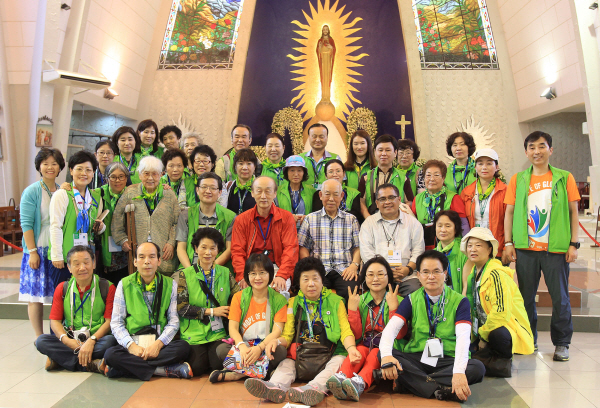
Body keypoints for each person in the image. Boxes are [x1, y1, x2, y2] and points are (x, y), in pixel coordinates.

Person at [503, 131, 580, 361]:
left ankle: (562, 343)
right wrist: (508, 242)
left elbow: (573, 212)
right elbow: (509, 212)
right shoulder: (518, 179)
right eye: (532, 147)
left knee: (561, 299)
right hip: (526, 249)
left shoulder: (564, 177)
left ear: (550, 150)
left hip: (555, 250)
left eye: (541, 146)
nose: (537, 151)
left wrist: (573, 244)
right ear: (526, 152)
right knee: (525, 298)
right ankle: (529, 339)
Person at [244, 257, 362, 407]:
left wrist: (351, 349)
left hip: (329, 355)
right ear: (299, 283)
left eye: (315, 279)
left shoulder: (336, 301)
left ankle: (313, 389)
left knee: (339, 361)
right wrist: (276, 341)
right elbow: (287, 335)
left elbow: (345, 331)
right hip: (302, 357)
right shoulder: (293, 303)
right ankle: (274, 387)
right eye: (305, 279)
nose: (311, 284)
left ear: (322, 281)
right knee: (286, 363)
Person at [378, 250, 485, 403]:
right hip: (418, 357)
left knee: (477, 368)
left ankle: (413, 384)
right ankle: (439, 390)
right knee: (383, 354)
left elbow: (463, 338)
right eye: (426, 272)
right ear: (419, 275)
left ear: (445, 273)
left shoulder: (460, 301)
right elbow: (391, 328)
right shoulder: (411, 299)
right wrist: (387, 356)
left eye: (436, 271)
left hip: (447, 358)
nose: (431, 276)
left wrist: (459, 372)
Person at [103, 242, 192, 380]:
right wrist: (131, 346)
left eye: (151, 257)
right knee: (110, 354)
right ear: (135, 261)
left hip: (159, 342)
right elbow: (116, 323)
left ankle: (126, 369)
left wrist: (158, 344)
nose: (147, 262)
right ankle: (162, 370)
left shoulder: (170, 284)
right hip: (134, 341)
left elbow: (174, 321)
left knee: (183, 347)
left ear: (159, 261)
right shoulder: (124, 284)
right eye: (142, 257)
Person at [326, 256, 403, 402]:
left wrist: (393, 309)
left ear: (388, 277)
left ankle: (360, 382)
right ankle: (341, 377)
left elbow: (399, 335)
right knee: (359, 350)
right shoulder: (360, 300)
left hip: (386, 349)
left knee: (375, 353)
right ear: (364, 277)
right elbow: (355, 335)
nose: (375, 279)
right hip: (365, 343)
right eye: (370, 274)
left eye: (381, 274)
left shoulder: (397, 300)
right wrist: (352, 310)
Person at [462, 228, 534, 377]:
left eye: (478, 245)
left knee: (498, 334)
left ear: (489, 249)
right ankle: (490, 360)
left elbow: (501, 312)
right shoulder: (472, 274)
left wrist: (483, 336)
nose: (472, 249)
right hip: (482, 328)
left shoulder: (497, 274)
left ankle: (503, 360)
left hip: (502, 327)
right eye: (470, 245)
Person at [35, 246, 118, 372]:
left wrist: (92, 341)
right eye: (77, 264)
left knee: (110, 342)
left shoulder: (107, 287)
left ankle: (62, 360)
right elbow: (55, 321)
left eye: (86, 262)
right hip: (71, 338)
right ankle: (93, 364)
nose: (82, 268)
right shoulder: (62, 288)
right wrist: (67, 341)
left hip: (97, 340)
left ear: (94, 263)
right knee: (41, 341)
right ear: (69, 267)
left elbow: (109, 322)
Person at [210, 253, 288, 382]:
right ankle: (262, 372)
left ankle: (238, 374)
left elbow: (276, 331)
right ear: (247, 276)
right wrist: (242, 347)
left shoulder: (279, 300)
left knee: (279, 351)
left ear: (270, 275)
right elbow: (233, 328)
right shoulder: (239, 297)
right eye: (253, 273)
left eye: (262, 273)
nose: (258, 278)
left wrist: (259, 348)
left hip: (264, 346)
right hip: (245, 346)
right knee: (221, 350)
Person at [177, 228, 240, 375]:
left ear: (218, 250)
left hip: (218, 333)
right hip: (193, 333)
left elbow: (238, 297)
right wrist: (211, 311)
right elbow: (181, 308)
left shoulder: (225, 272)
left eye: (213, 248)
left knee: (218, 363)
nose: (208, 252)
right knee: (197, 368)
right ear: (195, 248)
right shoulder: (185, 274)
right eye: (203, 247)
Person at [20, 148, 66, 337]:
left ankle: (59, 334)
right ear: (39, 166)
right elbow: (26, 224)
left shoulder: (63, 189)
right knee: (36, 296)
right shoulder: (32, 191)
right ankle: (40, 337)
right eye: (45, 163)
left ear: (60, 167)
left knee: (59, 294)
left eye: (54, 163)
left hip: (57, 248)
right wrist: (32, 252)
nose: (50, 167)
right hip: (38, 248)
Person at [111, 156, 180, 276]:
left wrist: (171, 242)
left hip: (164, 254)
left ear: (161, 175)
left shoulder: (169, 194)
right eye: (146, 173)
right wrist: (122, 240)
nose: (150, 178)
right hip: (138, 254)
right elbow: (117, 218)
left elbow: (177, 221)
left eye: (155, 174)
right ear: (139, 174)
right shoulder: (131, 192)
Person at [231, 176, 299, 291]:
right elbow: (237, 251)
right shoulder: (242, 219)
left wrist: (282, 275)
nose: (263, 196)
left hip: (277, 266)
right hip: (251, 267)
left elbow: (291, 249)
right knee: (248, 297)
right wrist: (242, 275)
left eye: (268, 191)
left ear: (275, 193)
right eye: (259, 191)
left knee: (278, 295)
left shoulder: (286, 217)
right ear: (252, 193)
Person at [298, 179, 360, 301]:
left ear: (342, 196)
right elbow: (303, 247)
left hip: (344, 269)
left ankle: (346, 320)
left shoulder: (351, 219)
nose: (331, 199)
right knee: (314, 293)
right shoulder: (310, 219)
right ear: (320, 195)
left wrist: (354, 265)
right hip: (319, 270)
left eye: (336, 194)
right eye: (327, 194)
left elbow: (357, 247)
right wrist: (310, 268)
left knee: (351, 292)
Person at [360, 183, 424, 296]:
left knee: (416, 293)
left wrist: (408, 269)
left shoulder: (413, 223)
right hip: (378, 276)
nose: (387, 202)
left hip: (407, 276)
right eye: (382, 199)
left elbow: (418, 250)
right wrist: (385, 272)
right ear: (377, 203)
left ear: (399, 200)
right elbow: (366, 253)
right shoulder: (368, 224)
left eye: (391, 197)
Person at [49, 150, 106, 280]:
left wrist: (101, 227)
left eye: (88, 170)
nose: (83, 173)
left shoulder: (96, 197)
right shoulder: (62, 194)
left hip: (86, 259)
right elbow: (55, 226)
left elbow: (95, 227)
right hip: (65, 258)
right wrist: (57, 256)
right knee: (64, 296)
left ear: (93, 172)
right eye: (79, 169)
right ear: (71, 171)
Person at [176, 172, 236, 269]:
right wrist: (190, 271)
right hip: (189, 267)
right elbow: (181, 248)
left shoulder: (230, 217)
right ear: (197, 190)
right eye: (204, 187)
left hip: (217, 269)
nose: (208, 191)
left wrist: (210, 269)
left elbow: (229, 250)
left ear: (220, 192)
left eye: (213, 188)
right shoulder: (185, 215)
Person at [461, 148, 507, 259]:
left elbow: (511, 221)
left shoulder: (505, 191)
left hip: (497, 247)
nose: (484, 167)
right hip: (474, 248)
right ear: (475, 167)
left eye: (489, 163)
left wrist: (506, 246)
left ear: (497, 167)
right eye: (480, 163)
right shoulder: (467, 192)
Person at [411, 160, 469, 249]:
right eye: (428, 175)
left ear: (443, 177)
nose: (432, 179)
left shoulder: (453, 198)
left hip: (450, 247)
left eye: (436, 175)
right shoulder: (417, 198)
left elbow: (463, 226)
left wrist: (465, 247)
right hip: (423, 247)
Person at [359, 134, 413, 218]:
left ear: (395, 153)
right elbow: (361, 201)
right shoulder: (366, 177)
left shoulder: (403, 177)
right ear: (374, 152)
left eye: (388, 150)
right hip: (373, 220)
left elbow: (409, 202)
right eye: (380, 150)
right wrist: (368, 218)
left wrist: (400, 214)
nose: (383, 154)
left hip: (397, 221)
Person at [96, 162, 130, 284]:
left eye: (121, 176)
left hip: (125, 250)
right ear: (106, 178)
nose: (117, 180)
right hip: (104, 249)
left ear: (126, 178)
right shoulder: (98, 194)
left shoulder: (132, 195)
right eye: (113, 177)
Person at [312, 158, 362, 224]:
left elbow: (356, 215)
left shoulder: (354, 193)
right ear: (326, 175)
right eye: (331, 171)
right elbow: (318, 213)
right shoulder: (319, 193)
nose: (335, 174)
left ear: (344, 174)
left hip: (347, 226)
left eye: (338, 171)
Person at [275, 155, 316, 229]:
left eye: (299, 170)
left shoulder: (312, 191)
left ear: (304, 172)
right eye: (292, 170)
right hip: (285, 232)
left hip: (306, 232)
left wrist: (308, 218)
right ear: (286, 172)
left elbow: (316, 213)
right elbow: (274, 213)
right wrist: (287, 217)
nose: (296, 174)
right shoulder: (278, 191)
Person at [434, 210, 469, 294]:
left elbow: (468, 286)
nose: (443, 230)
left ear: (456, 228)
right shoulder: (433, 254)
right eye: (439, 226)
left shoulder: (465, 252)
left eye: (448, 226)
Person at [299, 123, 339, 189]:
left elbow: (340, 182)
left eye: (321, 136)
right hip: (305, 197)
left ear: (327, 138)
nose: (317, 140)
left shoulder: (335, 159)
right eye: (314, 136)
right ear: (309, 137)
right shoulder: (300, 158)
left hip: (328, 197)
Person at [221, 148, 259, 215]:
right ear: (235, 166)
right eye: (240, 163)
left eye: (249, 163)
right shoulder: (227, 187)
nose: (244, 167)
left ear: (255, 166)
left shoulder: (261, 188)